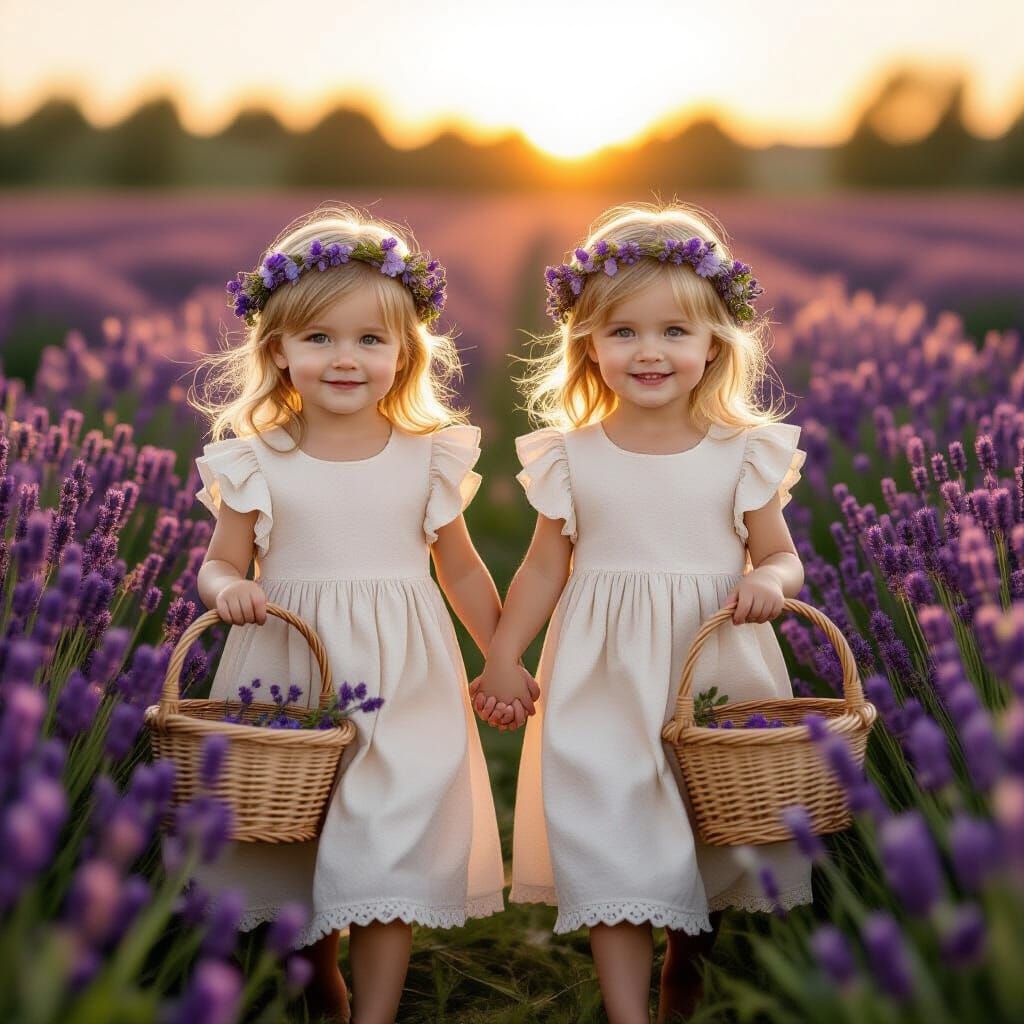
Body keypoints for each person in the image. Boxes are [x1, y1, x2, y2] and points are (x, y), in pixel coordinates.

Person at [471, 201, 812, 1024]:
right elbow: (545, 565)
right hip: (602, 670)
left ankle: (683, 973)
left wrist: (772, 583)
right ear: (586, 342)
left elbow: (783, 555)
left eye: (673, 333)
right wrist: (505, 654)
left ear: (714, 344)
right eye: (622, 332)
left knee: (709, 832)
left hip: (715, 664)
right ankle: (630, 1010)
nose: (649, 351)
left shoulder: (743, 451)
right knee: (609, 834)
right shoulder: (572, 455)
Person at [190, 201, 509, 1023]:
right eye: (320, 339)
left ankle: (373, 1011)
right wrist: (227, 589)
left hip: (404, 674)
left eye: (371, 340)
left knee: (386, 848)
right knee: (299, 835)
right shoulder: (259, 459)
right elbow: (223, 558)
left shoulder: (425, 456)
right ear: (278, 350)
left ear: (405, 354)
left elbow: (463, 570)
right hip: (287, 669)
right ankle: (321, 978)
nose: (345, 359)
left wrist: (501, 657)